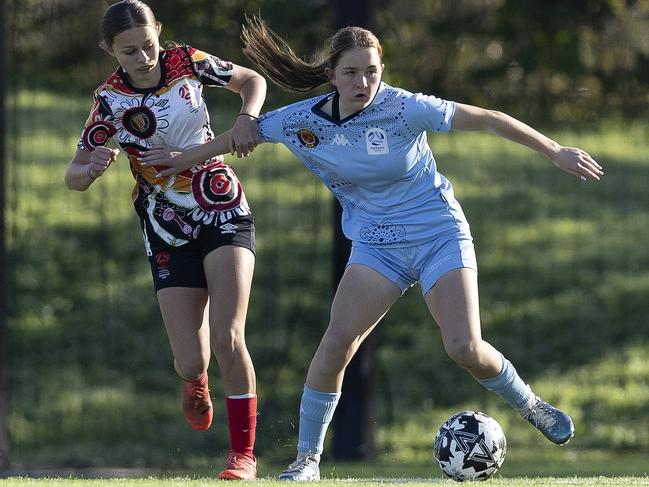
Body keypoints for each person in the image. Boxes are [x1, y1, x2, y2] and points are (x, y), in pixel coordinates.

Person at [147, 16, 604, 481]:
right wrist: (180, 160)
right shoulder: (300, 121)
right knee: (336, 344)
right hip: (376, 248)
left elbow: (486, 118)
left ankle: (532, 407)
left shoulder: (404, 108)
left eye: (372, 71)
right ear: (331, 75)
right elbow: (233, 139)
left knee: (464, 347)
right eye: (351, 72)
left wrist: (554, 150)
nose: (363, 82)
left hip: (437, 235)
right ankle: (307, 461)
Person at [64, 1, 266, 480]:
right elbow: (73, 174)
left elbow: (251, 80)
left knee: (228, 336)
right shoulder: (110, 102)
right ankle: (194, 381)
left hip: (221, 207)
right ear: (109, 51)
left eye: (148, 45)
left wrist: (246, 117)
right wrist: (89, 169)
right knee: (191, 357)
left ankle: (244, 456)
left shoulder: (187, 62)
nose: (143, 58)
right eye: (129, 51)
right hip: (164, 226)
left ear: (160, 34)